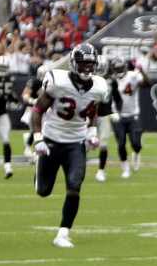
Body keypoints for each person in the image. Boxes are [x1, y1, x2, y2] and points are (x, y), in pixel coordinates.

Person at [30, 43, 109, 248]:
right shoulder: (57, 81)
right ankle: (38, 163)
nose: (87, 69)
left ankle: (63, 233)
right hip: (51, 141)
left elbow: (93, 109)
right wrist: (38, 138)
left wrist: (91, 132)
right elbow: (37, 110)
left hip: (76, 143)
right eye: (83, 64)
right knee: (43, 191)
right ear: (74, 64)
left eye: (91, 64)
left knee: (74, 187)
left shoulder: (99, 86)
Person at [113, 58, 150, 178]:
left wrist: (142, 71)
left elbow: (148, 84)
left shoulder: (132, 76)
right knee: (121, 144)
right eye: (116, 69)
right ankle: (125, 169)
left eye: (120, 68)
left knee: (136, 144)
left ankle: (136, 152)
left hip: (133, 114)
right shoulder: (112, 80)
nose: (118, 70)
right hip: (118, 116)